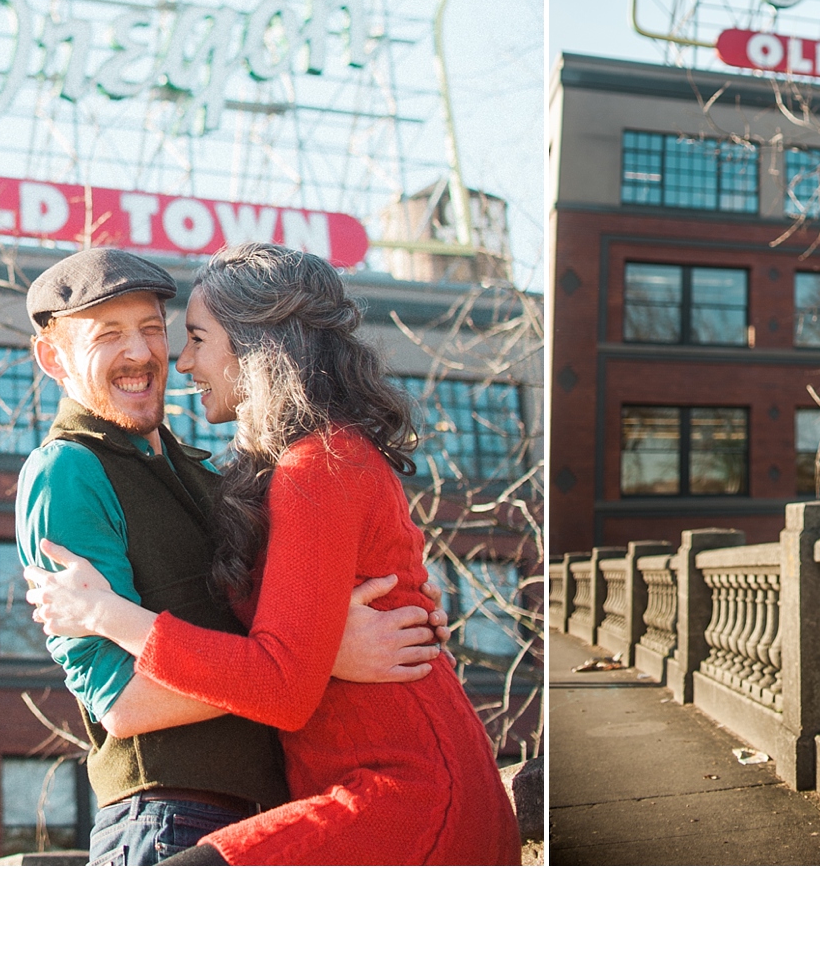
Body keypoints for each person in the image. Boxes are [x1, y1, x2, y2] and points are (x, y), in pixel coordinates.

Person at [26, 243, 522, 865]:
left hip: (384, 792)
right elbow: (120, 701)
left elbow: (287, 667)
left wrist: (316, 655)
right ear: (53, 357)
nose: (171, 359)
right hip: (182, 807)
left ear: (256, 349)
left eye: (175, 334)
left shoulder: (286, 469)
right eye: (109, 334)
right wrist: (323, 654)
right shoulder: (69, 469)